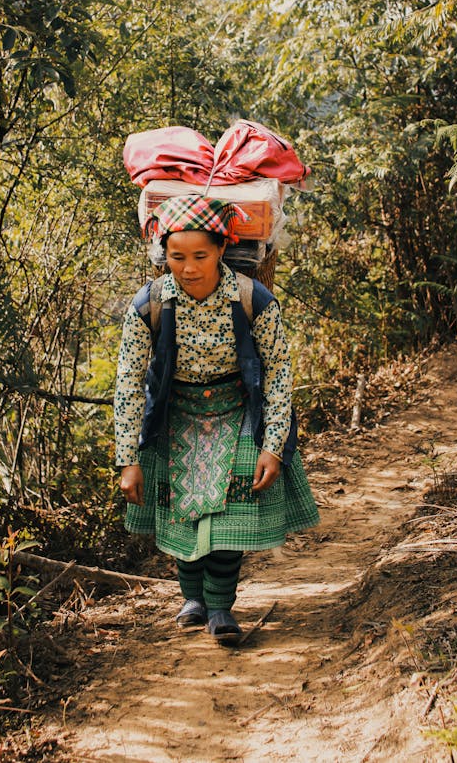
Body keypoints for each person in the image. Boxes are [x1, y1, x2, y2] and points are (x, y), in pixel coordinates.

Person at [114, 194, 318, 645]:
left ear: (222, 249)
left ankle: (220, 607)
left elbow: (279, 372)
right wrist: (127, 457)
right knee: (183, 511)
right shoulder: (148, 304)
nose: (188, 268)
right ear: (163, 255)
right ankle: (193, 599)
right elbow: (129, 379)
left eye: (200, 256)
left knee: (228, 513)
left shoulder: (252, 299)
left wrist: (273, 445)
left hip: (237, 409)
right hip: (176, 412)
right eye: (177, 256)